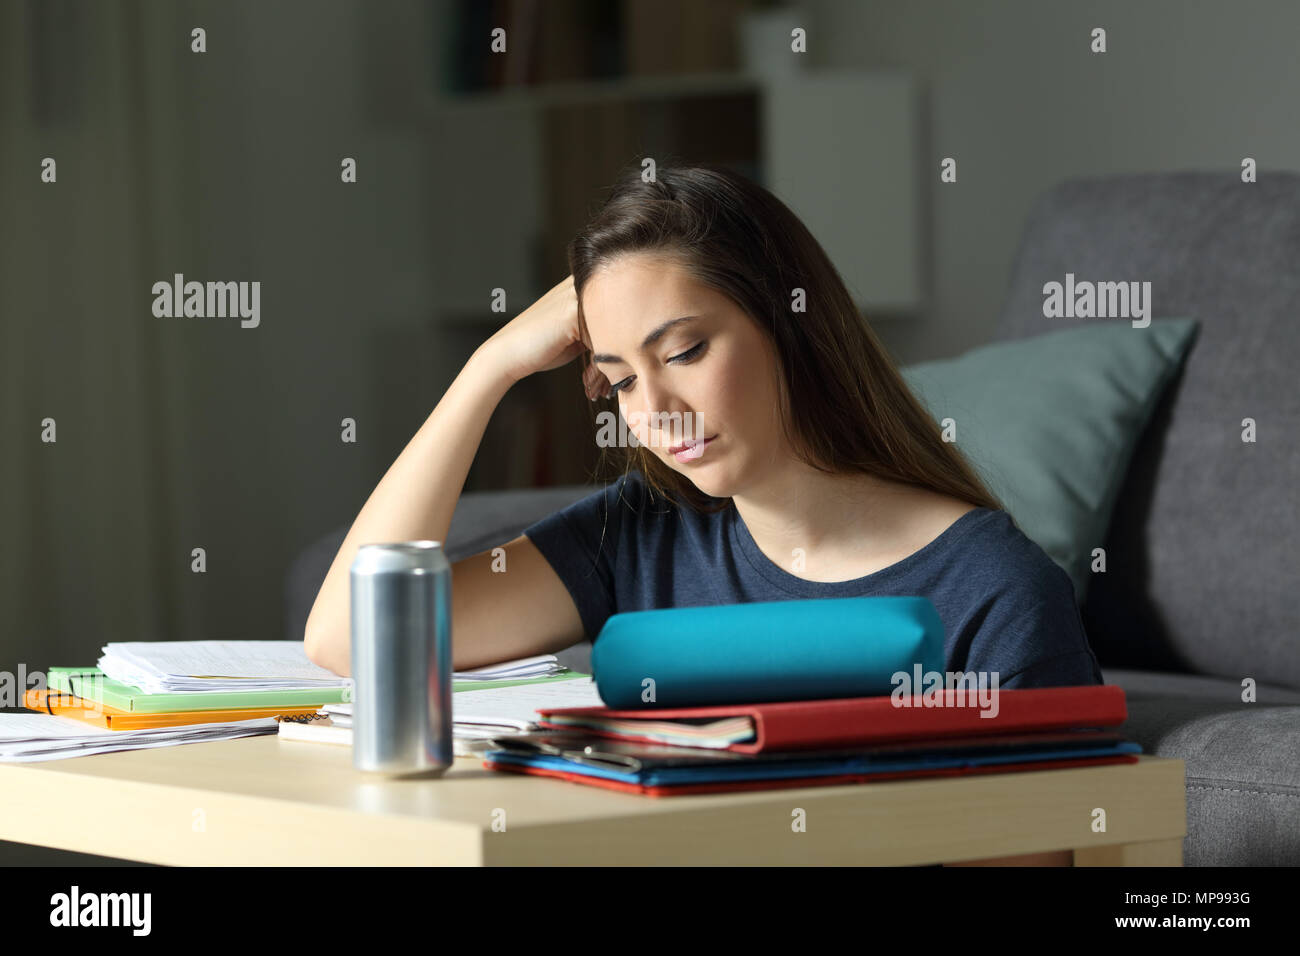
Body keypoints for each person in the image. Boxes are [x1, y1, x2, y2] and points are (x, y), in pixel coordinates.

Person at [304, 161, 1102, 693]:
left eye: (683, 350)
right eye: (617, 379)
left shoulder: (996, 593)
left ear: (792, 323)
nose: (651, 411)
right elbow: (356, 638)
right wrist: (489, 371)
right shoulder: (641, 537)